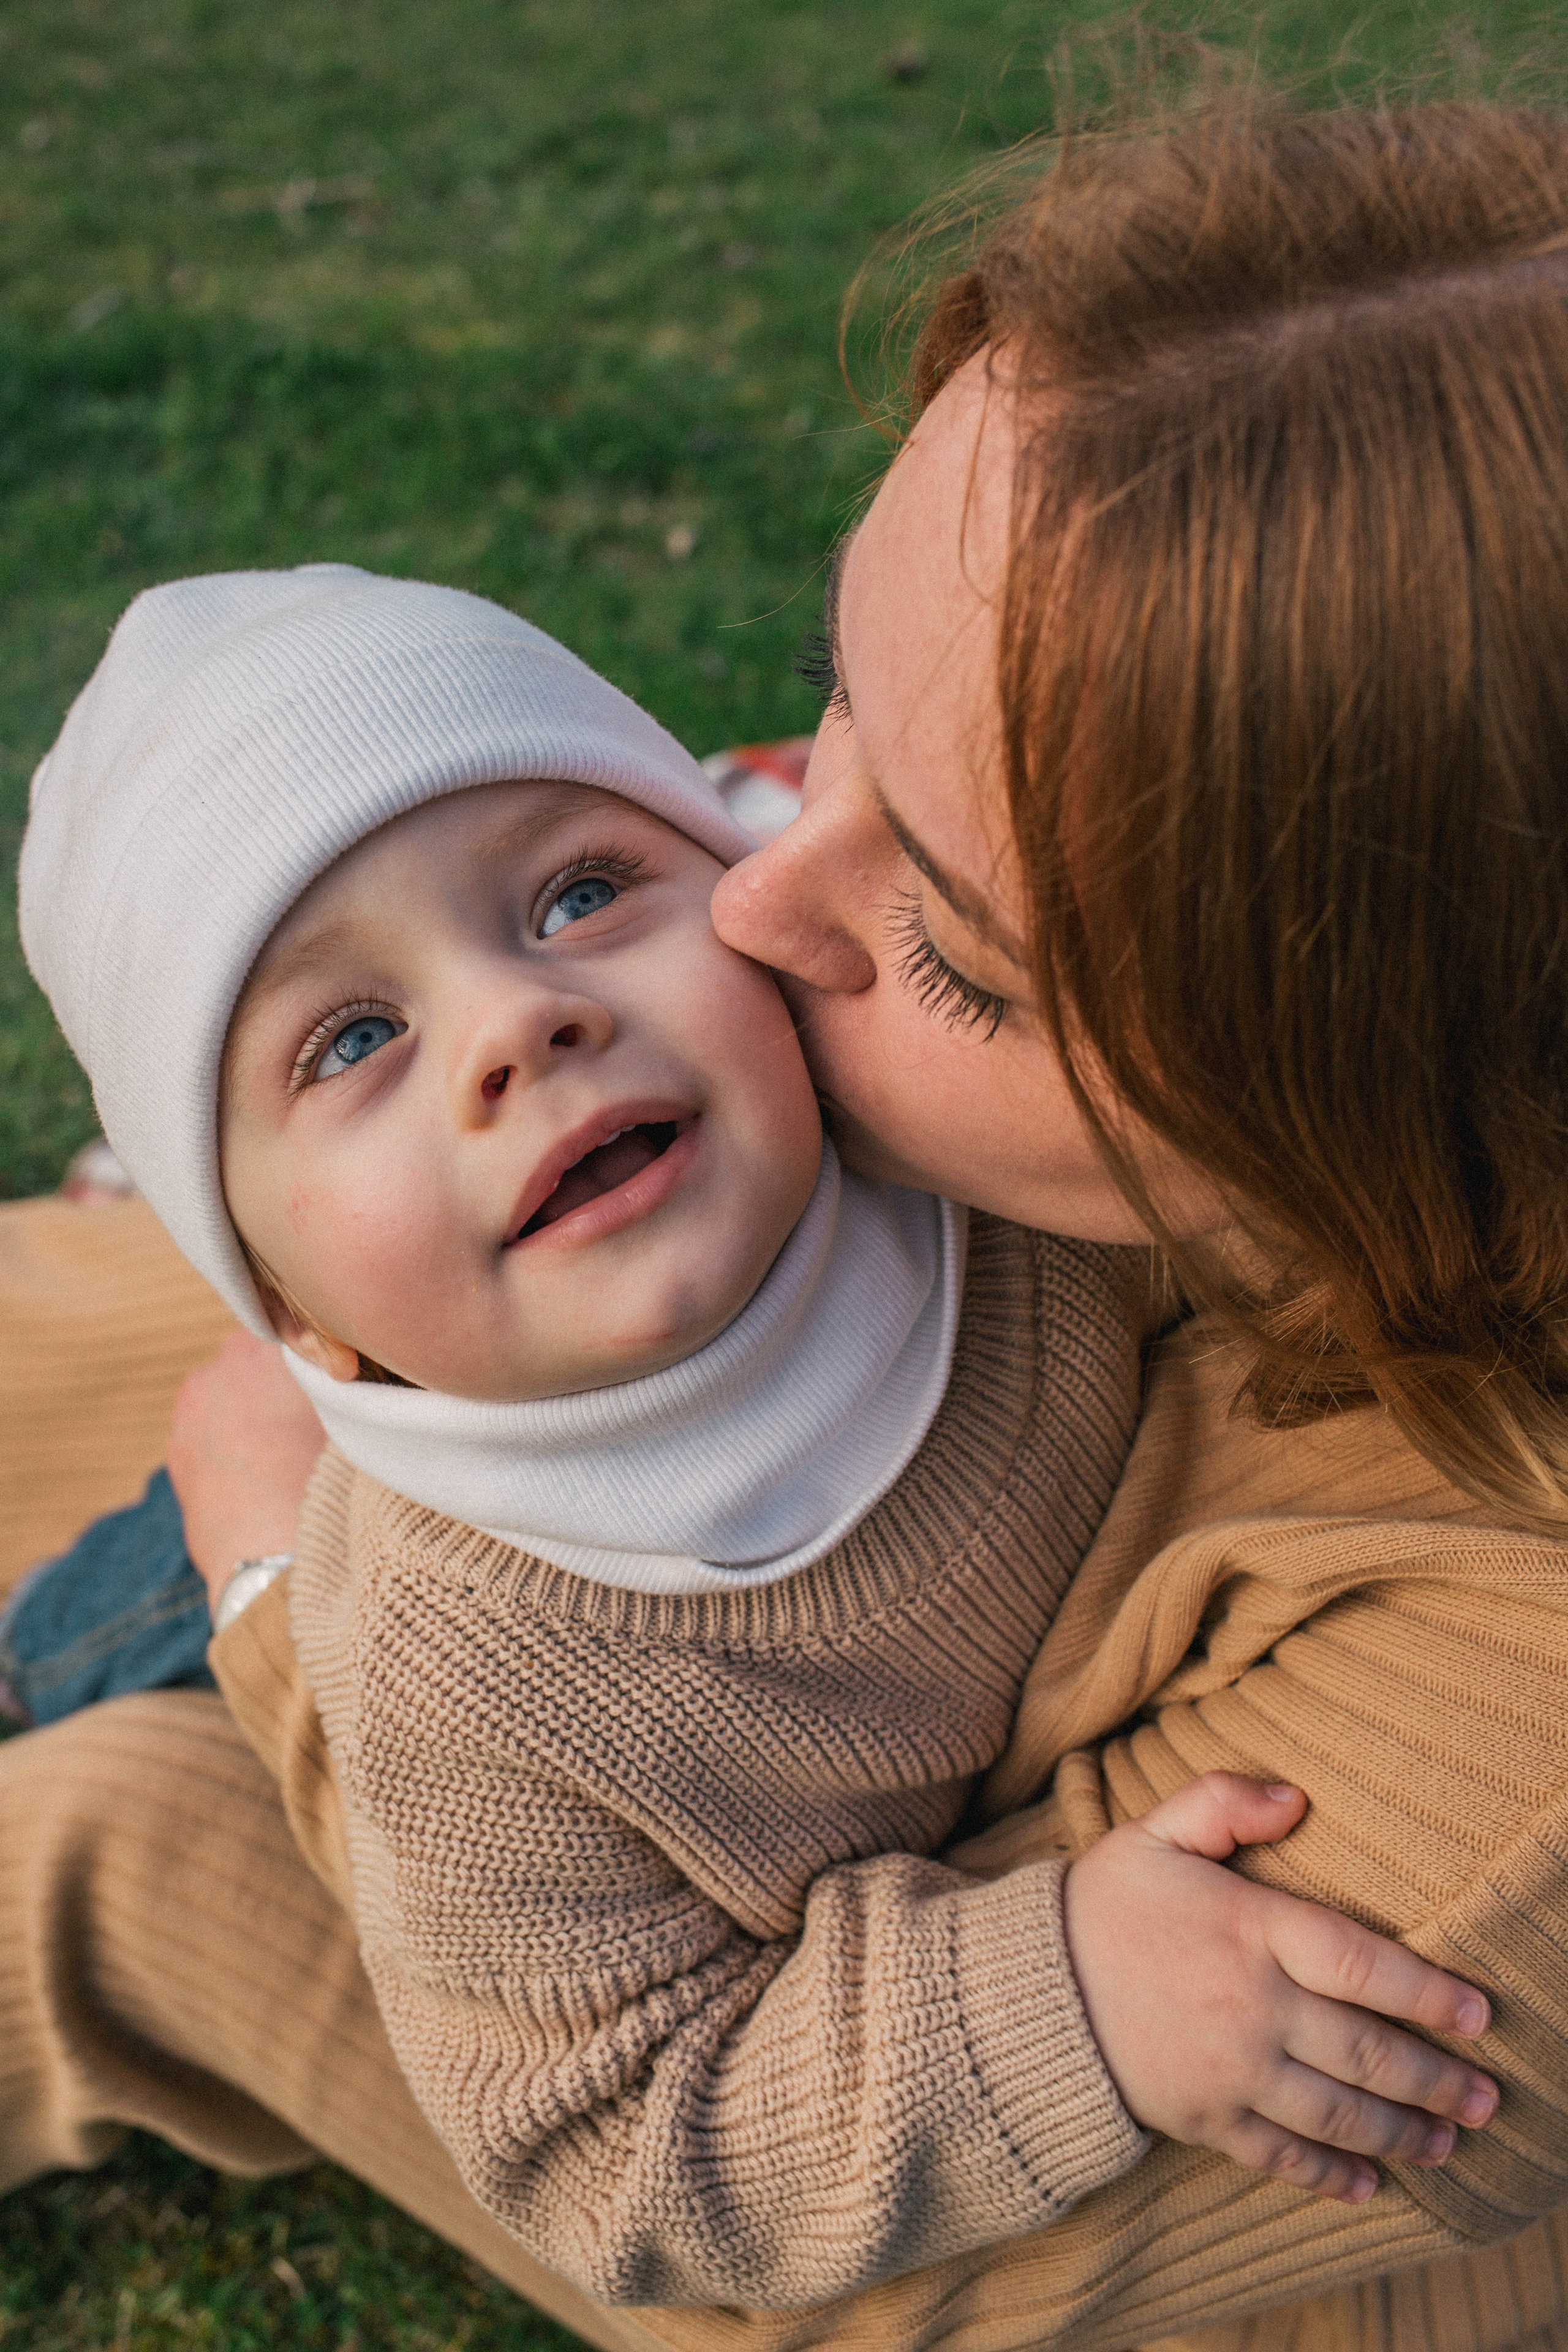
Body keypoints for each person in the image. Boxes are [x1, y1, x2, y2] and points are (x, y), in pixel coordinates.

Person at [6, 85, 1568, 2352]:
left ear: (1369, 1111)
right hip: (508, 1455)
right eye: (838, 726)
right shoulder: (757, 1173)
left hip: (863, 2092)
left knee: (113, 1839)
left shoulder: (1511, 1757)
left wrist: (273, 1615)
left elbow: (722, 2217)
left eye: (957, 942)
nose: (753, 901)